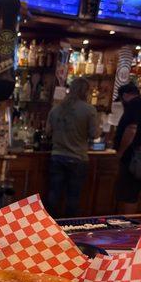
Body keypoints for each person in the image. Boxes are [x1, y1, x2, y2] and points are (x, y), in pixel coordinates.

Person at [45, 77, 99, 218]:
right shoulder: (89, 110)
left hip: (57, 156)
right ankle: (70, 227)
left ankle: (49, 226)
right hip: (78, 158)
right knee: (73, 196)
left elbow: (47, 132)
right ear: (86, 91)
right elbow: (94, 134)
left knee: (54, 194)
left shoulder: (56, 109)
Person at [114, 82, 141, 214]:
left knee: (129, 194)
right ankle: (130, 225)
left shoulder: (133, 105)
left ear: (125, 95)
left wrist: (120, 152)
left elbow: (132, 129)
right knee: (134, 193)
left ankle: (127, 228)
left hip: (133, 158)